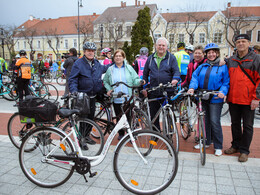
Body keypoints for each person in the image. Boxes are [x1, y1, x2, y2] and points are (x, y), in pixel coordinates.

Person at [188, 43, 229, 156]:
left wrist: (223, 92)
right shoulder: (202, 66)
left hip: (215, 97)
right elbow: (194, 78)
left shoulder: (222, 66)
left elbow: (226, 82)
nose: (211, 55)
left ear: (217, 53)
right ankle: (206, 141)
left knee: (215, 121)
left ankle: (218, 145)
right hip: (203, 96)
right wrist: (192, 88)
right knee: (204, 121)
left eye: (213, 52)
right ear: (206, 54)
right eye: (209, 53)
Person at [224, 34, 260, 162]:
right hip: (233, 98)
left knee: (248, 126)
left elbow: (259, 81)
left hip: (249, 99)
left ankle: (244, 150)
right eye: (238, 42)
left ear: (248, 43)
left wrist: (257, 98)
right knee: (234, 124)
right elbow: (227, 78)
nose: (240, 44)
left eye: (243, 41)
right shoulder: (232, 60)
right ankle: (235, 145)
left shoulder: (256, 59)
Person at [69, 42, 109, 150]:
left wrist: (116, 62)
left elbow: (104, 68)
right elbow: (72, 79)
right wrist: (74, 91)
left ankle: (86, 136)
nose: (91, 53)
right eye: (88, 51)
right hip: (82, 97)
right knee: (83, 119)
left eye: (92, 51)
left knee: (91, 118)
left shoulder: (96, 63)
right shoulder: (78, 63)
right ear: (84, 52)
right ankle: (81, 139)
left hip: (93, 96)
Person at [143, 37, 181, 131]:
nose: (161, 47)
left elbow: (176, 71)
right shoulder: (150, 58)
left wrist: (175, 79)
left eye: (163, 45)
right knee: (154, 114)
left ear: (166, 47)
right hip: (154, 90)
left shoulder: (171, 58)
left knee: (168, 113)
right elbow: (145, 73)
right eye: (159, 45)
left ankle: (170, 133)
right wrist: (144, 85)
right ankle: (155, 133)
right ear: (156, 46)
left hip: (168, 90)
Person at [103, 49, 141, 140]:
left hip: (128, 97)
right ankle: (121, 133)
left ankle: (130, 133)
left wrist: (140, 81)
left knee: (129, 116)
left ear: (123, 57)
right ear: (114, 58)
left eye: (120, 56)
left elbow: (135, 79)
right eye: (116, 56)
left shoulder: (129, 68)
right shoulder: (110, 69)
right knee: (119, 116)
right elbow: (105, 81)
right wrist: (109, 89)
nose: (118, 58)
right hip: (116, 97)